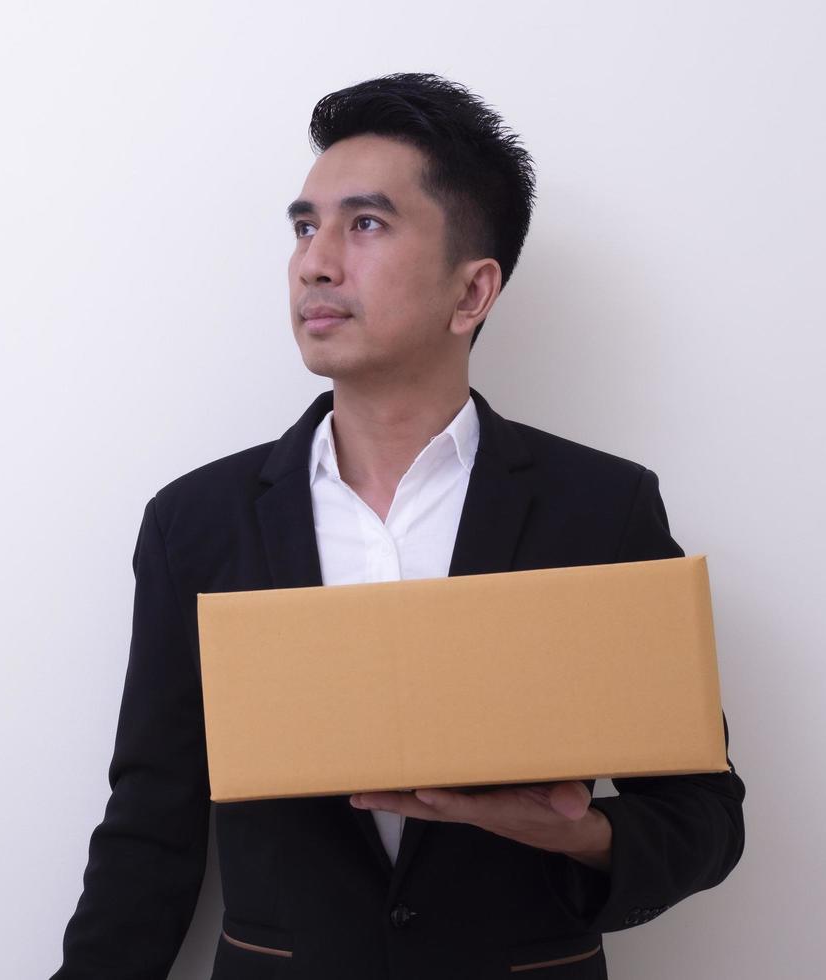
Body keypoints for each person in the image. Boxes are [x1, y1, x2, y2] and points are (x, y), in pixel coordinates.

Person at [49, 72, 745, 979]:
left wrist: (578, 833)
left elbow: (703, 815)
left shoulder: (598, 506)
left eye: (365, 224)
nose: (315, 262)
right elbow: (151, 824)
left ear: (472, 292)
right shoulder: (197, 523)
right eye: (304, 227)